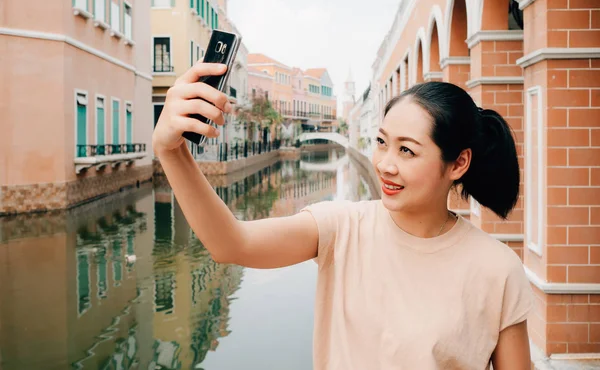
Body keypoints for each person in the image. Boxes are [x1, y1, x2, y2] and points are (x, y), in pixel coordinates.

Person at [153, 63, 535, 370]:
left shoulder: (497, 269)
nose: (385, 165)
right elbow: (231, 243)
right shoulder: (342, 228)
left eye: (407, 151)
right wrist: (171, 152)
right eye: (382, 142)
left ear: (459, 163)